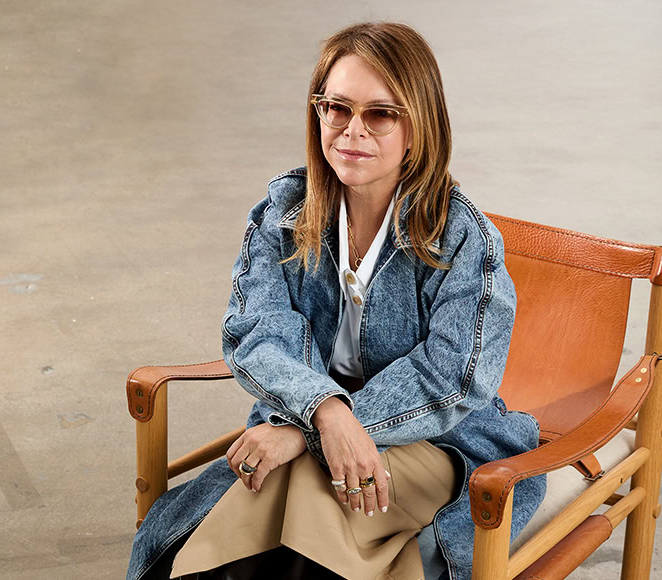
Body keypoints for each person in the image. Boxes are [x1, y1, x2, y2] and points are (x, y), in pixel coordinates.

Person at [126, 21, 546, 580]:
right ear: (317, 113)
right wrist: (325, 414)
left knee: (301, 484)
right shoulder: (285, 213)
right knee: (258, 501)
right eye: (336, 108)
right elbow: (258, 334)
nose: (352, 131)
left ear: (418, 128)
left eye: (380, 113)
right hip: (314, 426)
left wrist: (318, 428)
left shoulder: (463, 238)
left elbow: (454, 379)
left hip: (442, 440)